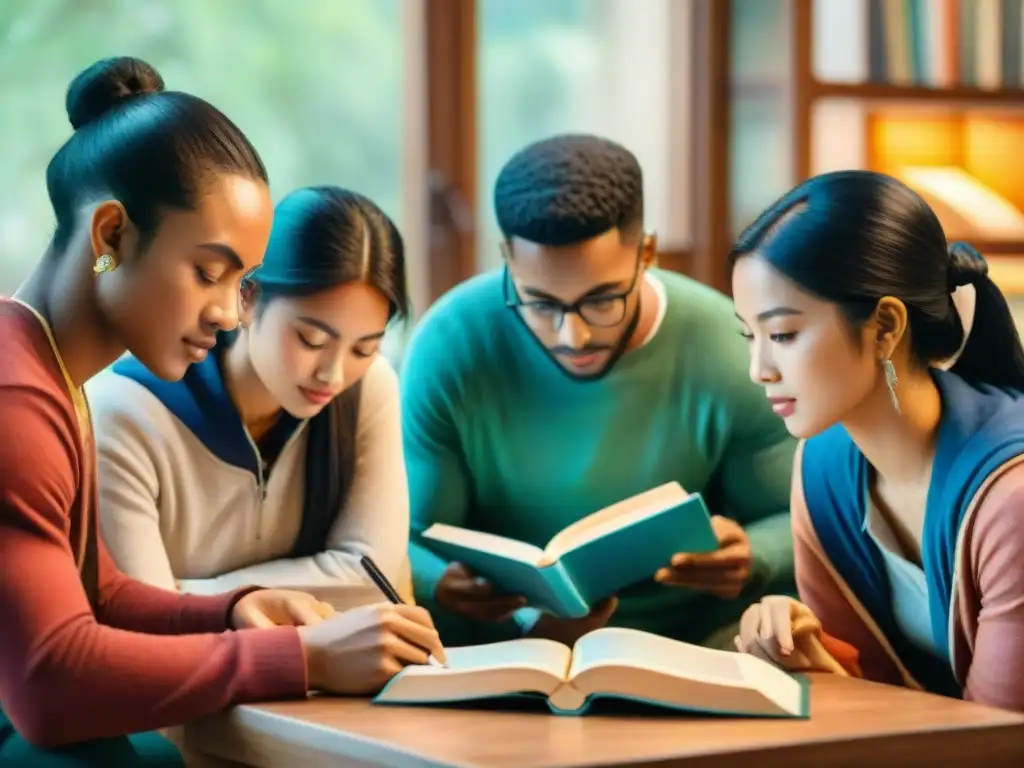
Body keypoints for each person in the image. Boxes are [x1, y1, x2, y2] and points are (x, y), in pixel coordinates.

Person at [0, 56, 443, 765]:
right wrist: (300, 659)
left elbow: (103, 595)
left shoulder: (49, 371)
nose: (225, 312)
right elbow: (49, 685)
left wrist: (233, 612)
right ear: (111, 236)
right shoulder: (17, 400)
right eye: (208, 272)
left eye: (240, 280)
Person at [401, 133, 798, 649]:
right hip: (502, 645)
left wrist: (754, 554)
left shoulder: (728, 344)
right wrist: (439, 582)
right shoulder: (449, 343)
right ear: (507, 258)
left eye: (602, 300)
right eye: (541, 303)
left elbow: (799, 519)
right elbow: (405, 536)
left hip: (690, 644)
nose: (574, 336)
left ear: (647, 253)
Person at [731, 169, 1024, 711]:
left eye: (783, 335)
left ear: (886, 326)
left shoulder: (1012, 502)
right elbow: (869, 693)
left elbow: (996, 739)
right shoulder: (822, 470)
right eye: (749, 336)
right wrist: (804, 648)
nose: (759, 369)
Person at [87, 185, 412, 607]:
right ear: (248, 298)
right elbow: (144, 613)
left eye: (364, 348)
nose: (333, 374)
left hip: (322, 673)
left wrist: (190, 596)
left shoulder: (368, 388)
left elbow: (374, 577)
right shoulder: (126, 412)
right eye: (311, 339)